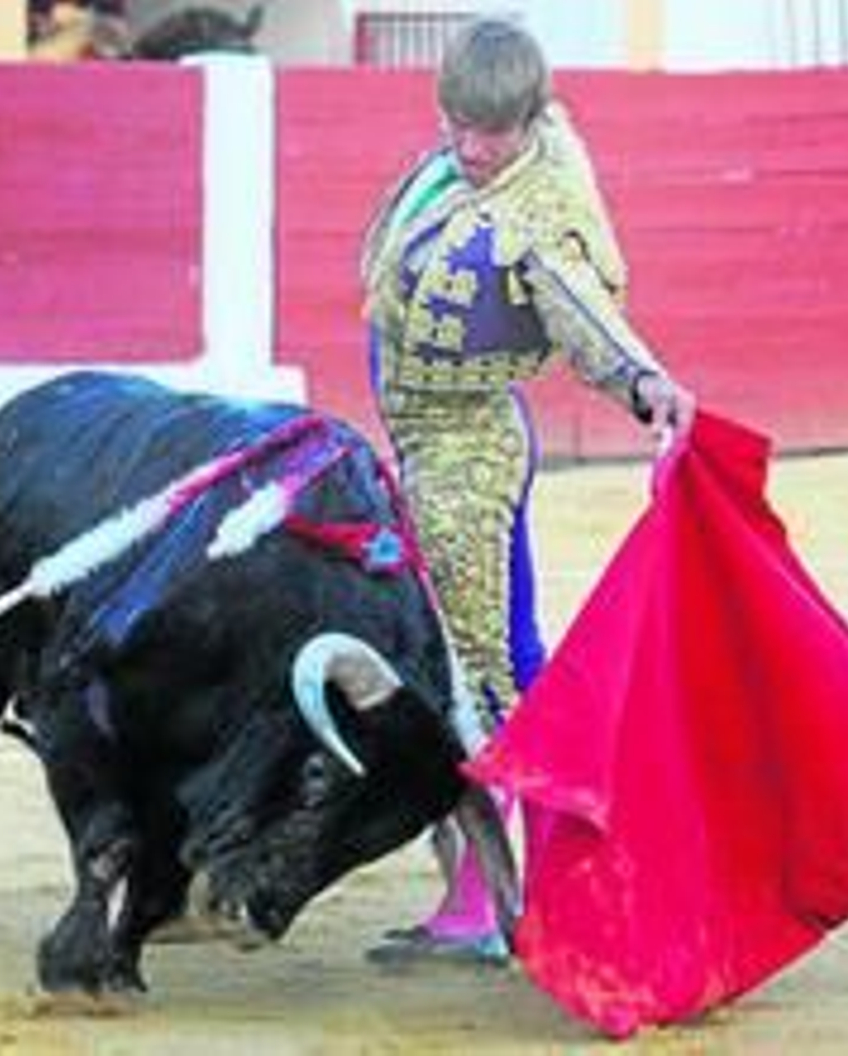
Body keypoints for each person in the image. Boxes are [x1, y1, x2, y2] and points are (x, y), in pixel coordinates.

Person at [359, 16, 697, 965]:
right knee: (498, 657)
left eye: (490, 133)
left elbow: (586, 309)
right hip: (429, 444)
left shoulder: (543, 214)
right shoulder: (486, 155)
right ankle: (511, 883)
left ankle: (522, 897)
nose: (469, 148)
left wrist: (644, 384)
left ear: (531, 119)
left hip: (465, 453)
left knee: (484, 679)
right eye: (455, 124)